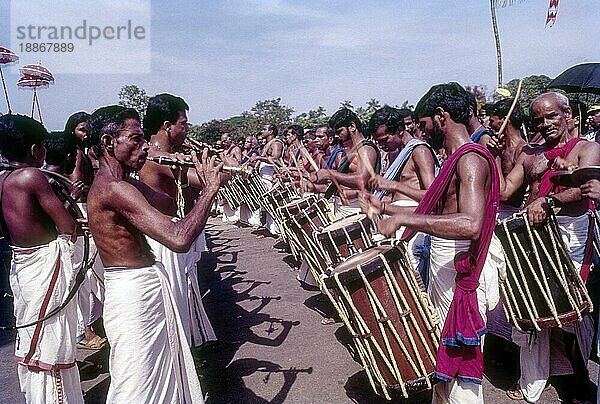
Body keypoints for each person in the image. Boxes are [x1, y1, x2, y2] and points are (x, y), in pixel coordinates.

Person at [360, 83, 501, 404]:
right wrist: (385, 206)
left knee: (461, 367)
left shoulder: (470, 159)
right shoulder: (455, 158)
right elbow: (437, 204)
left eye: (423, 125)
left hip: (461, 268)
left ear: (441, 117)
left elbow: (470, 223)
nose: (421, 133)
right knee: (445, 359)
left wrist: (404, 219)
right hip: (446, 264)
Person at [87, 105, 225, 402]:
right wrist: (210, 189)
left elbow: (167, 205)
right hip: (134, 293)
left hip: (142, 286)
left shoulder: (126, 183)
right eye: (134, 139)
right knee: (137, 385)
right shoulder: (114, 189)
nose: (144, 146)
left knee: (158, 378)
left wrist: (180, 172)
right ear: (108, 144)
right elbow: (178, 238)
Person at [488, 92, 600, 403]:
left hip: (572, 235)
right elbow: (506, 191)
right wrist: (495, 158)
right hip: (533, 238)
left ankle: (579, 382)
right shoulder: (529, 154)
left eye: (551, 116)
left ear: (568, 115)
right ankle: (551, 376)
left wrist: (548, 201)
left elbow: (583, 189)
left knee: (572, 311)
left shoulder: (587, 149)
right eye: (538, 119)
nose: (545, 123)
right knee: (537, 307)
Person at [0, 114, 83, 403]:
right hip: (44, 264)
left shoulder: (2, 180)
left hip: (22, 266)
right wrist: (70, 199)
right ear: (36, 149)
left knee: (34, 337)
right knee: (49, 342)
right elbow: (67, 226)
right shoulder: (32, 176)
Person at [139, 93, 217, 349]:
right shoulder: (158, 157)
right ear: (166, 126)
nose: (187, 129)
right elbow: (210, 180)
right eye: (183, 123)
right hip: (164, 238)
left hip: (167, 233)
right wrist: (214, 163)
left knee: (178, 299)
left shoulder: (164, 154)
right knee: (174, 303)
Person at [44, 131, 108, 352]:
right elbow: (54, 226)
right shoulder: (46, 181)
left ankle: (83, 332)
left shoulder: (48, 179)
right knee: (72, 295)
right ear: (71, 156)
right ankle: (80, 336)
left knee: (81, 291)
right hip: (61, 251)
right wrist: (70, 194)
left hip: (70, 246)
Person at [366, 106, 439, 284]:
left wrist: (394, 185)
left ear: (400, 130)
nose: (381, 146)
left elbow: (432, 197)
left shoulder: (419, 151)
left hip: (415, 230)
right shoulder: (396, 154)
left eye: (384, 140)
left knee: (415, 286)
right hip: (398, 225)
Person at [307, 108, 380, 217]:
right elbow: (342, 182)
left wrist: (330, 173)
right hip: (344, 206)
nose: (336, 136)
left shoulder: (366, 149)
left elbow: (362, 180)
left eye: (339, 131)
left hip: (358, 207)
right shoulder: (349, 151)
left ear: (352, 126)